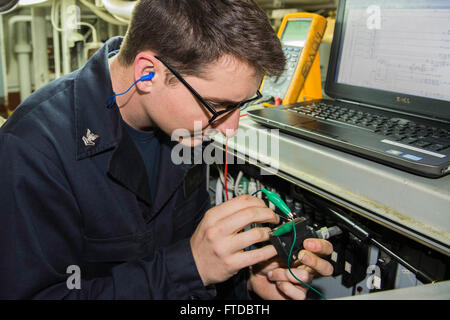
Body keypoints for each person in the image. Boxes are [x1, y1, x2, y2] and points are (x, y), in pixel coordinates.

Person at [0, 0, 333, 299]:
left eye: (242, 106)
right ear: (147, 74)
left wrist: (245, 282)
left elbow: (190, 266)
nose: (230, 128)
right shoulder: (33, 150)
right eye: (219, 106)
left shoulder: (185, 129)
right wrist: (191, 267)